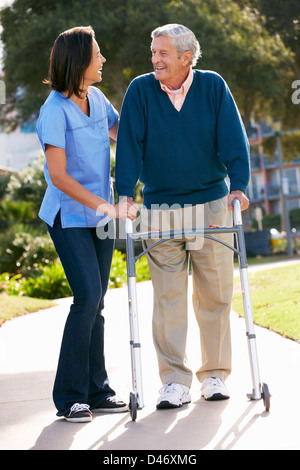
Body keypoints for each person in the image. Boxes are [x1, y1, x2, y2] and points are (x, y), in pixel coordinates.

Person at [115, 24, 250, 409]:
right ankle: (174, 381)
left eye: (163, 53)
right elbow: (128, 145)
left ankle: (215, 376)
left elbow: (233, 138)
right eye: (153, 52)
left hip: (212, 204)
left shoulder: (212, 86)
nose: (154, 59)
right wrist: (125, 194)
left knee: (216, 295)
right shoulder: (140, 90)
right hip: (160, 208)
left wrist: (238, 185)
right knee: (168, 297)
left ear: (186, 57)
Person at [36, 26, 137, 422]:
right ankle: (69, 398)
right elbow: (58, 175)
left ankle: (97, 391)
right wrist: (107, 206)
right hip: (69, 217)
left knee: (97, 303)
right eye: (97, 53)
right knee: (87, 298)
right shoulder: (53, 111)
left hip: (100, 215)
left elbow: (122, 132)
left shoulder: (95, 97)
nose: (103, 59)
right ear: (79, 60)